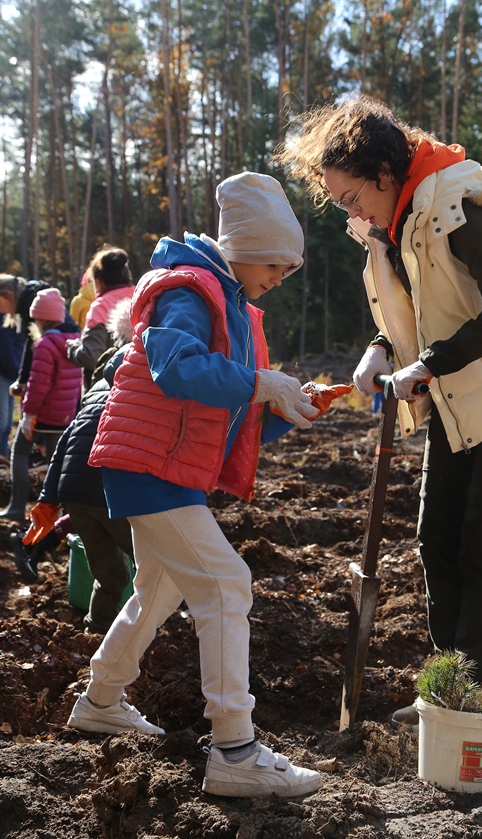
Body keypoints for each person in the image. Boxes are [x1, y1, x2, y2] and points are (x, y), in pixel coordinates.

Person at [275, 95, 482, 706]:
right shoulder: (401, 222)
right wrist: (381, 347)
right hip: (461, 393)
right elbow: (428, 306)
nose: (350, 212)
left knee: (480, 540)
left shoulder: (458, 205)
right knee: (436, 538)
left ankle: (474, 689)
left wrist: (428, 364)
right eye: (339, 204)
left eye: (352, 198)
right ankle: (446, 678)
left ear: (384, 172)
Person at [67, 172, 324, 800]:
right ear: (243, 246)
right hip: (149, 467)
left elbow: (222, 411)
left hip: (164, 468)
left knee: (158, 590)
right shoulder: (190, 290)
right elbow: (176, 369)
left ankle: (100, 700)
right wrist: (262, 384)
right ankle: (235, 748)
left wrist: (282, 406)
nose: (280, 279)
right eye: (276, 264)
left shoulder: (228, 300)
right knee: (226, 583)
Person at [12, 298, 135, 632]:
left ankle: (94, 633)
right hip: (110, 494)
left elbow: (64, 445)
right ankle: (168, 625)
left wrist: (49, 499)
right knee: (158, 566)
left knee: (111, 576)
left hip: (76, 498)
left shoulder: (94, 392)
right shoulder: (135, 391)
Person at [1, 288, 82, 524]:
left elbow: (38, 386)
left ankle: (16, 507)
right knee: (57, 466)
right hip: (64, 417)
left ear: (42, 318)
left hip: (43, 416)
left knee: (19, 452)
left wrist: (27, 414)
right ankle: (56, 514)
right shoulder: (74, 341)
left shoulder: (45, 344)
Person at [0, 274, 80, 398]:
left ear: (8, 295)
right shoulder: (28, 298)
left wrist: (22, 380)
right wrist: (22, 379)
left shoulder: (31, 303)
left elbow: (32, 343)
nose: (1, 310)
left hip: (61, 356)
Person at [66, 247, 135, 387]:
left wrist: (73, 348)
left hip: (105, 389)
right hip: (137, 384)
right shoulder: (139, 296)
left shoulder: (100, 307)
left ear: (98, 282)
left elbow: (92, 356)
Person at [0, 316, 25, 459]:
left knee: (8, 423)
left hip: (12, 372)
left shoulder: (18, 317)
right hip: (5, 373)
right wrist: (17, 370)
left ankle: (3, 455)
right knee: (3, 421)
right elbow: (6, 350)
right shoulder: (5, 320)